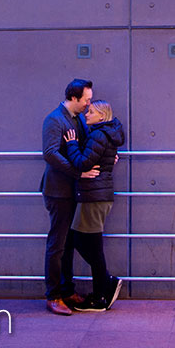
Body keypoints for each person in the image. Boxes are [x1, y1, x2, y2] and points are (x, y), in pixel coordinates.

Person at [39, 79, 99, 316]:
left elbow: (83, 148)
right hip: (58, 192)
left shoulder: (75, 119)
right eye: (86, 99)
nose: (88, 103)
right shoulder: (54, 120)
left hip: (71, 190)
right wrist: (78, 172)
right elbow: (50, 154)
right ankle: (53, 296)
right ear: (74, 98)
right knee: (57, 245)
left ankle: (66, 290)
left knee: (67, 244)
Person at [63, 99, 126, 312]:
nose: (86, 114)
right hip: (97, 195)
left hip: (94, 196)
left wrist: (71, 145)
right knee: (84, 241)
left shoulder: (98, 135)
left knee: (82, 241)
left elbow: (82, 163)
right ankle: (103, 286)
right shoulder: (106, 133)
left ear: (101, 115)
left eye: (90, 112)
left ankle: (103, 290)